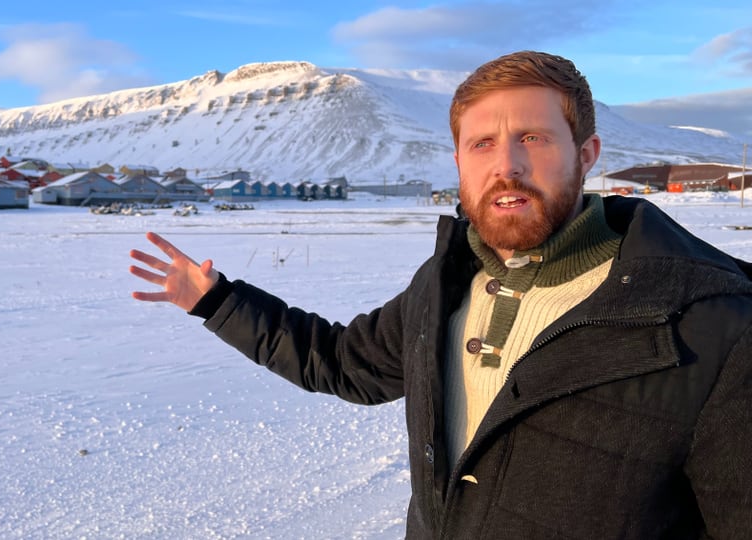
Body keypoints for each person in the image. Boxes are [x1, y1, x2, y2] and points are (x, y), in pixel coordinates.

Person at [128, 50, 752, 538]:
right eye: (482, 144)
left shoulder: (713, 324)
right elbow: (345, 363)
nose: (505, 165)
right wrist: (215, 301)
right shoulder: (446, 285)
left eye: (532, 137)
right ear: (458, 161)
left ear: (585, 153)